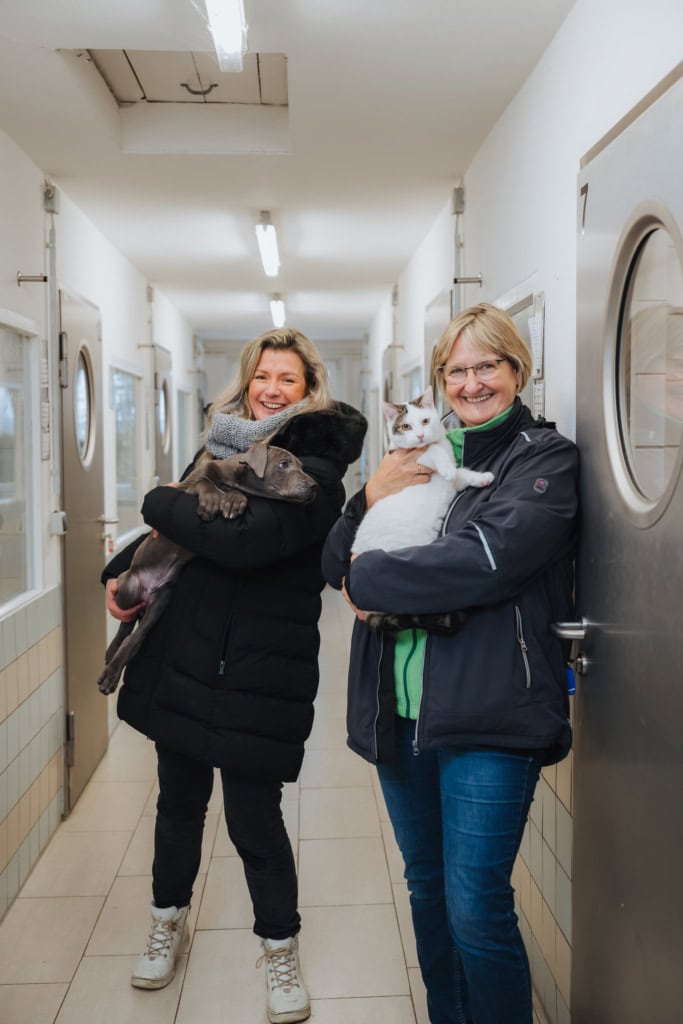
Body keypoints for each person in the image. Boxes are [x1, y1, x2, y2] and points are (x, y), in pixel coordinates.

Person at [321, 303, 578, 1024]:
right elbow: (331, 561)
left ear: (517, 370)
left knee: (475, 905)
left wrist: (369, 585)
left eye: (486, 366)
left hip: (490, 714)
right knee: (428, 889)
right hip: (398, 711)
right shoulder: (412, 458)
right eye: (456, 370)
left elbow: (484, 563)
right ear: (438, 381)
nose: (471, 383)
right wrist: (363, 499)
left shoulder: (542, 460)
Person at [102, 327, 366, 1023]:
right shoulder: (219, 447)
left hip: (260, 665)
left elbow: (241, 542)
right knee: (177, 806)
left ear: (310, 389)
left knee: (255, 819)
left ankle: (279, 950)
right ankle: (166, 923)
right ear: (247, 381)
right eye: (262, 377)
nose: (272, 389)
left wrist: (157, 502)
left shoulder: (316, 467)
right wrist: (123, 571)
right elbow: (190, 518)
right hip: (185, 653)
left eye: (288, 379)